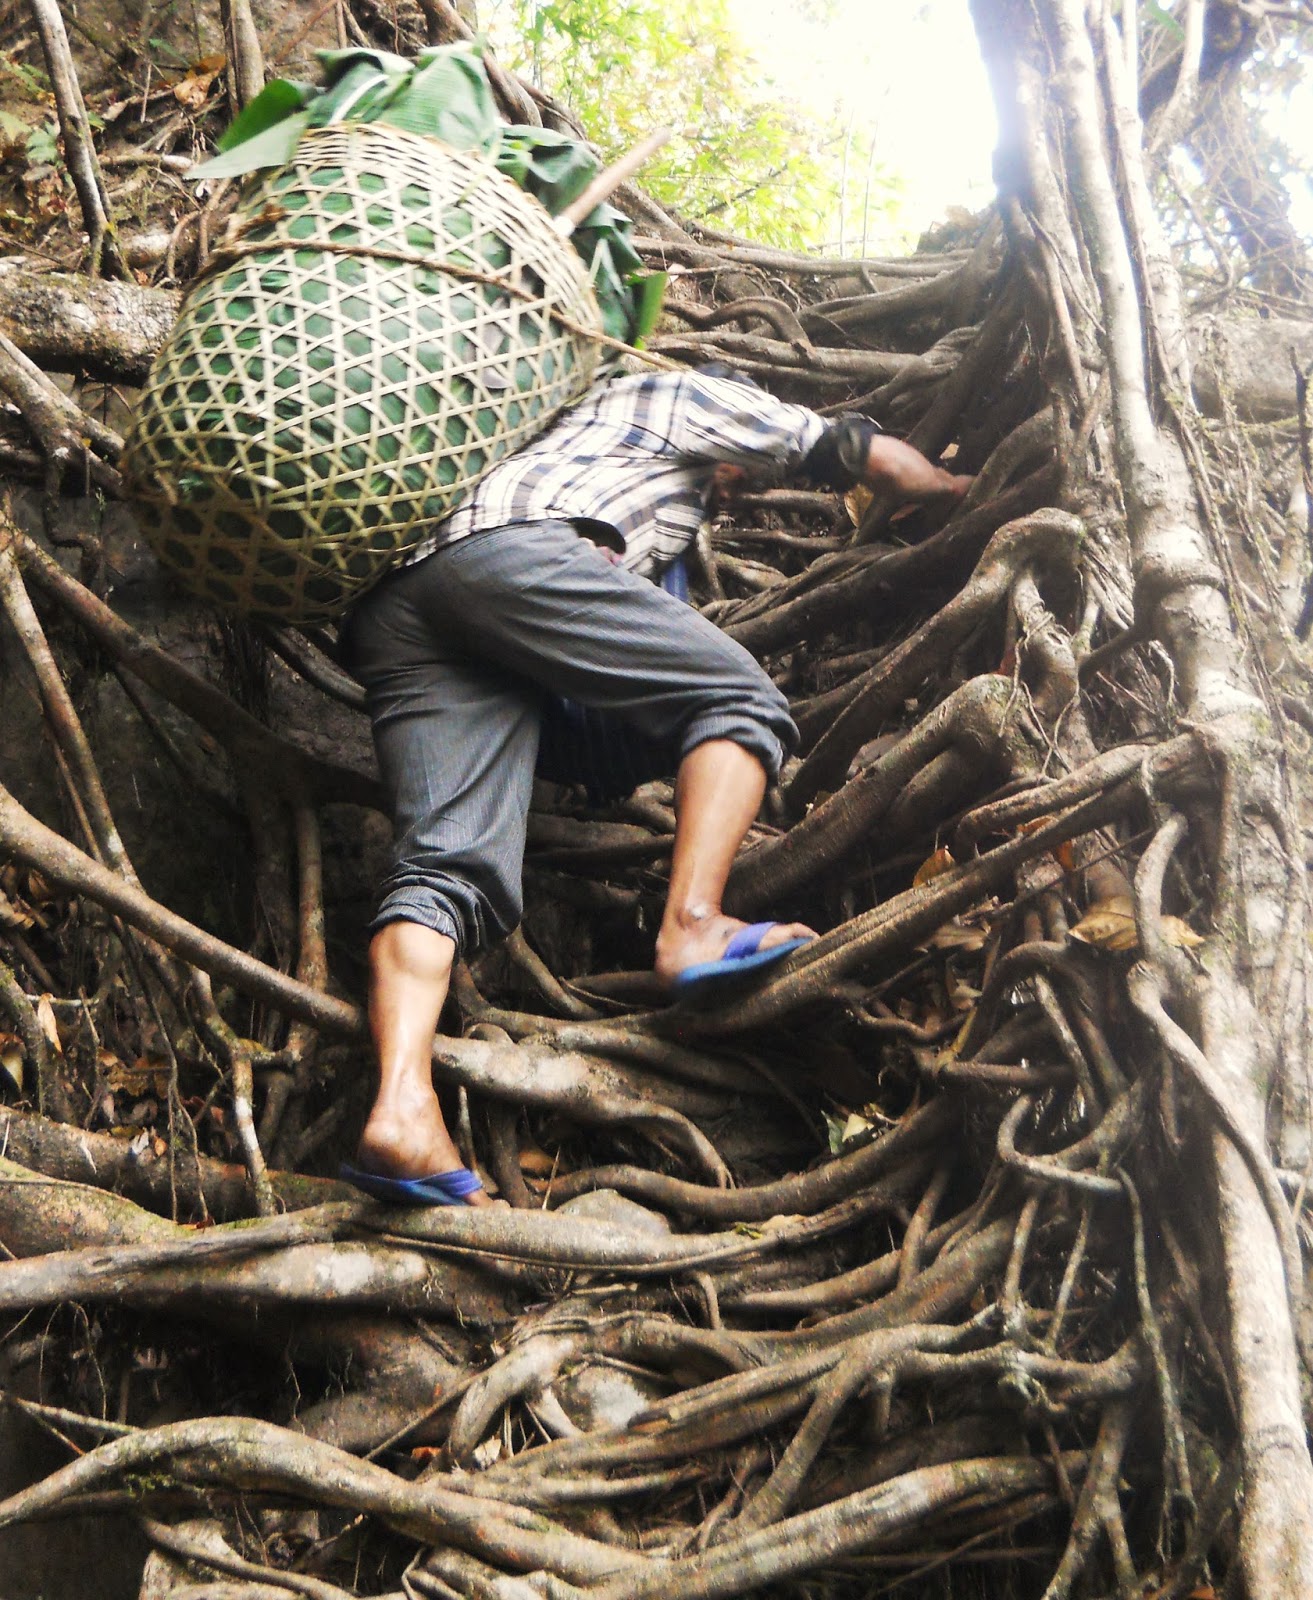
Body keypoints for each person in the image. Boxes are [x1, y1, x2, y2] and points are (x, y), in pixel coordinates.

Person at [337, 365, 968, 1206]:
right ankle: (693, 928)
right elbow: (855, 453)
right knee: (738, 700)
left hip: (400, 605)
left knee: (445, 868)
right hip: (512, 554)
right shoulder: (668, 394)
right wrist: (966, 489)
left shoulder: (562, 449)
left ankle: (401, 1110)